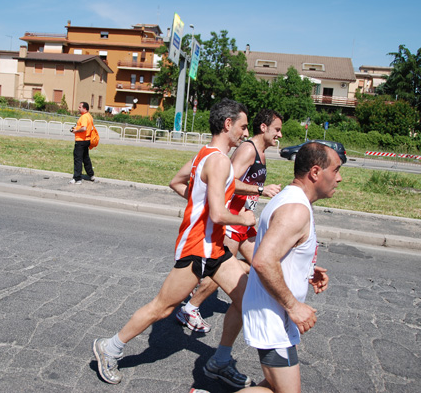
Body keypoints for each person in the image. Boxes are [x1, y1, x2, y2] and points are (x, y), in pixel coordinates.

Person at [93, 99, 256, 389]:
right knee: (162, 308)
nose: (245, 133)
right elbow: (218, 214)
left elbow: (176, 182)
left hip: (215, 249)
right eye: (243, 126)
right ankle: (110, 347)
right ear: (227, 124)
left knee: (246, 300)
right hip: (197, 249)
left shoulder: (205, 155)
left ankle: (220, 360)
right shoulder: (218, 161)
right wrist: (243, 219)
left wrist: (197, 205)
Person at [241, 142, 339, 393]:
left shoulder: (291, 199)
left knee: (275, 387)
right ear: (316, 173)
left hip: (275, 314)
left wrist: (306, 269)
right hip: (273, 317)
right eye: (336, 170)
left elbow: (280, 251)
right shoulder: (295, 209)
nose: (339, 178)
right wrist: (294, 306)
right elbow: (263, 261)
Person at [176, 109, 284, 333]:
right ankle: (191, 306)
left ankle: (272, 304)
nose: (280, 135)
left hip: (244, 220)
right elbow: (229, 182)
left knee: (260, 263)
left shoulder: (261, 152)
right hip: (233, 220)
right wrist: (261, 190)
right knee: (222, 265)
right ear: (263, 128)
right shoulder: (248, 150)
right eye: (277, 130)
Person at [70, 102, 95, 184]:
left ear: (85, 108)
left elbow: (84, 128)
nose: (78, 108)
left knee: (78, 159)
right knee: (85, 158)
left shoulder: (84, 117)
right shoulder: (89, 116)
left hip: (80, 140)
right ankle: (91, 175)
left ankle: (77, 178)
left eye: (80, 107)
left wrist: (76, 130)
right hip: (87, 140)